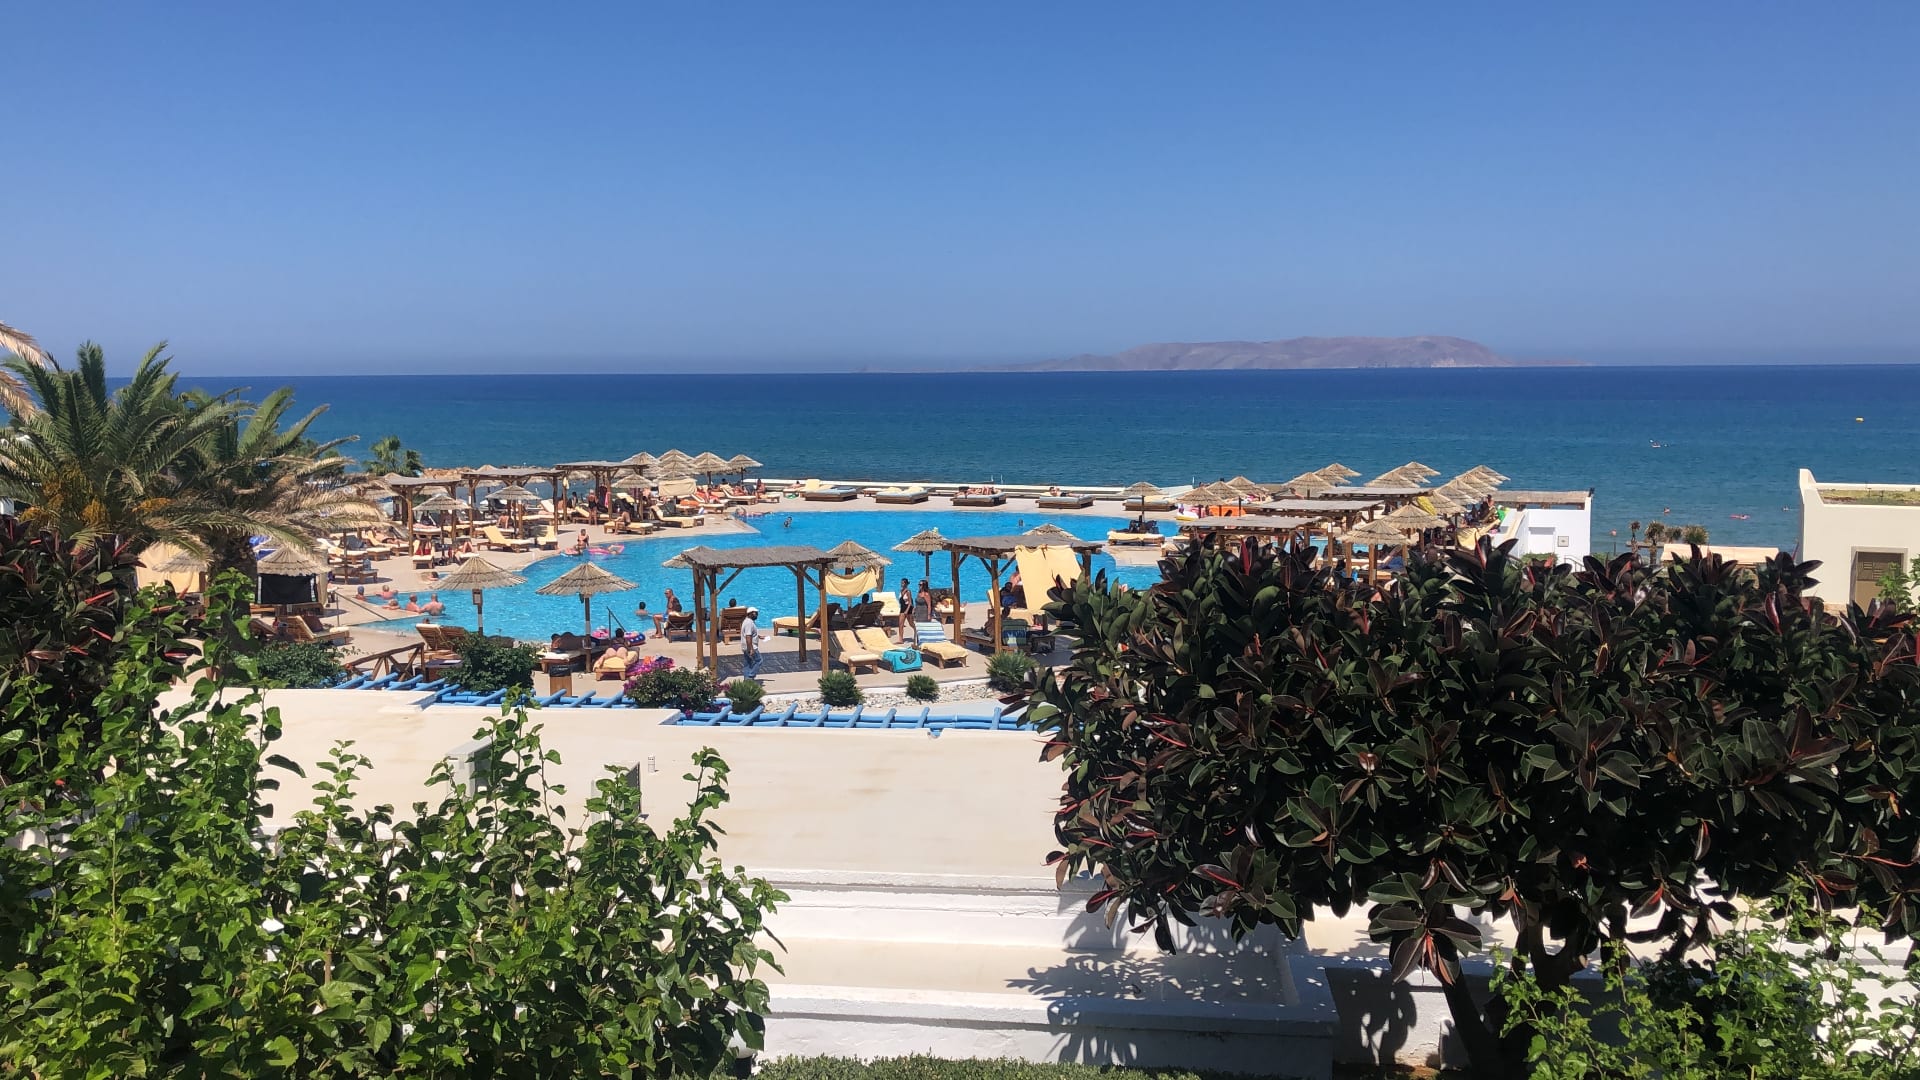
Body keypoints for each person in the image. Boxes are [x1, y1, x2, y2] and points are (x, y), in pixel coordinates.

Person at [739, 607, 765, 678]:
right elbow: (748, 636)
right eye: (755, 613)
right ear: (750, 614)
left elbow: (750, 633)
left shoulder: (747, 621)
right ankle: (751, 676)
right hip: (751, 646)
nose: (757, 615)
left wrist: (759, 636)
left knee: (748, 663)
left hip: (745, 646)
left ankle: (747, 680)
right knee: (759, 660)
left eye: (757, 613)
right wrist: (751, 649)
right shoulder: (749, 623)